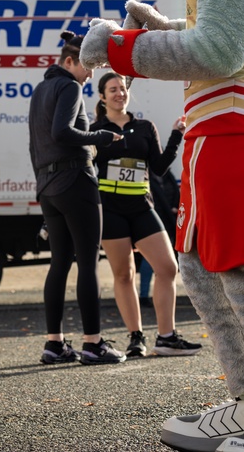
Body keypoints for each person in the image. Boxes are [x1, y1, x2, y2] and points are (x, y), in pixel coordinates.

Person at [28, 31, 127, 366]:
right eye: (88, 66)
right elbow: (62, 132)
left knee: (59, 264)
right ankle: (93, 344)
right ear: (69, 62)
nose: (91, 74)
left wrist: (42, 186)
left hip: (49, 186)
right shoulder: (69, 86)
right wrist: (99, 136)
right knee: (87, 262)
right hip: (75, 181)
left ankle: (54, 345)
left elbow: (37, 143)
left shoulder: (41, 89)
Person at [90, 72, 201, 357]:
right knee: (124, 274)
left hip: (141, 205)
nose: (119, 93)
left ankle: (166, 337)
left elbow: (160, 167)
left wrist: (177, 134)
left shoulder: (143, 127)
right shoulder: (95, 130)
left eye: (123, 88)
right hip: (111, 209)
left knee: (167, 267)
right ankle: (135, 337)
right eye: (112, 89)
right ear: (103, 97)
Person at [139, 169, 180, 307]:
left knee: (165, 264)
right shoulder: (148, 176)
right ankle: (144, 295)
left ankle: (156, 295)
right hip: (154, 222)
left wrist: (175, 207)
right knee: (150, 260)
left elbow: (176, 193)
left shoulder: (168, 175)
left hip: (168, 222)